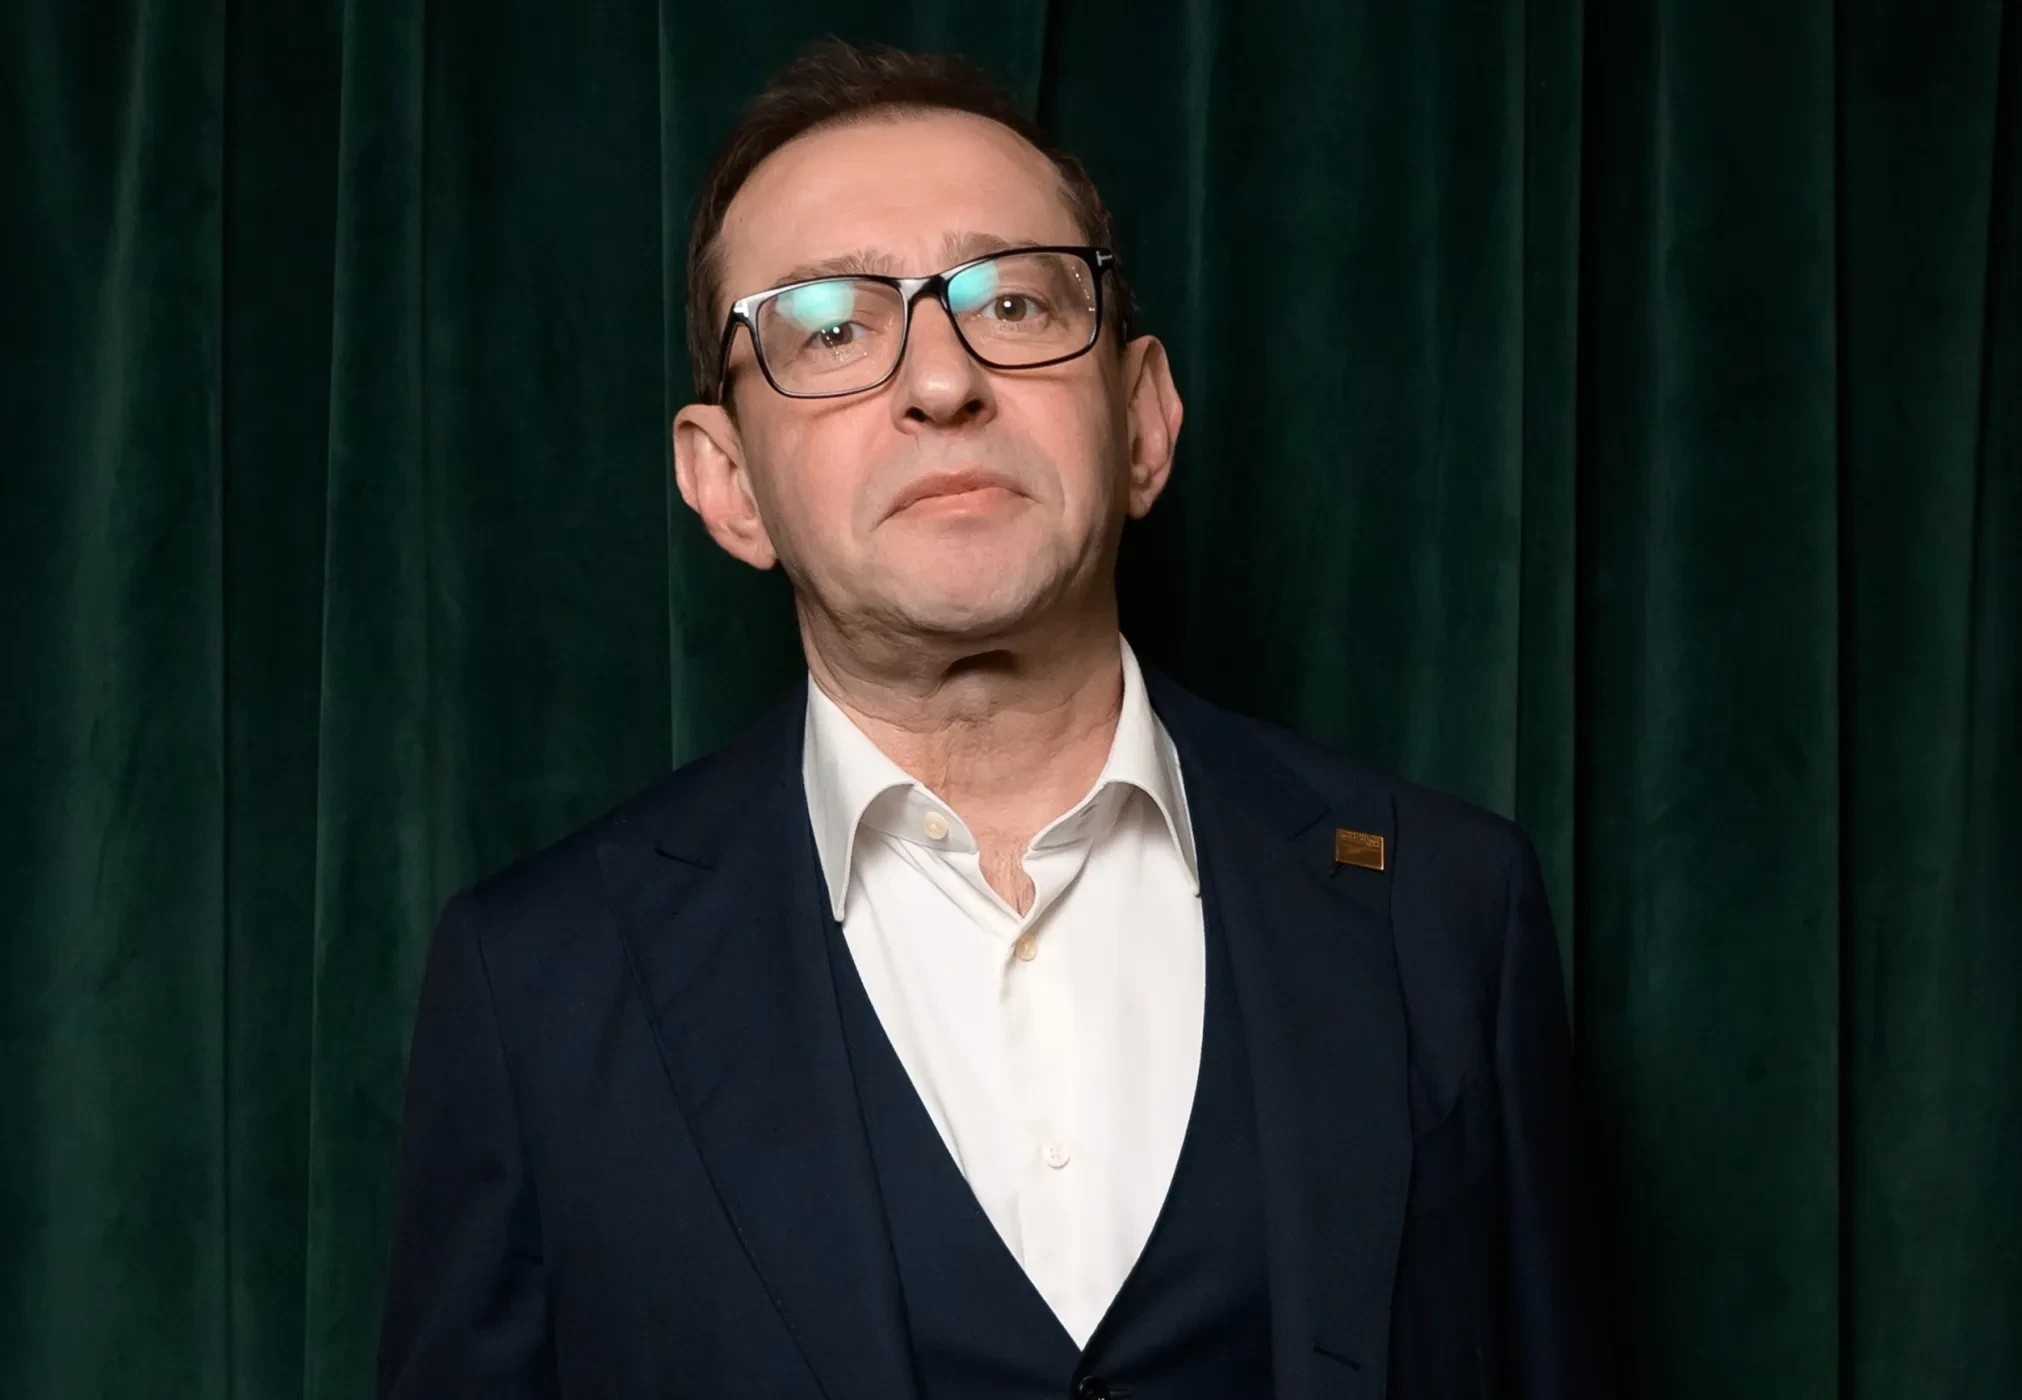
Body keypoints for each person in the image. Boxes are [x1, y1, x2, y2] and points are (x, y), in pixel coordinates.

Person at [377, 38, 1615, 1400]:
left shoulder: (1445, 909)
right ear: (725, 483)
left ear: (1141, 423)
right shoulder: (537, 983)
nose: (941, 383)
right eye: (831, 328)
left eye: (1013, 302)